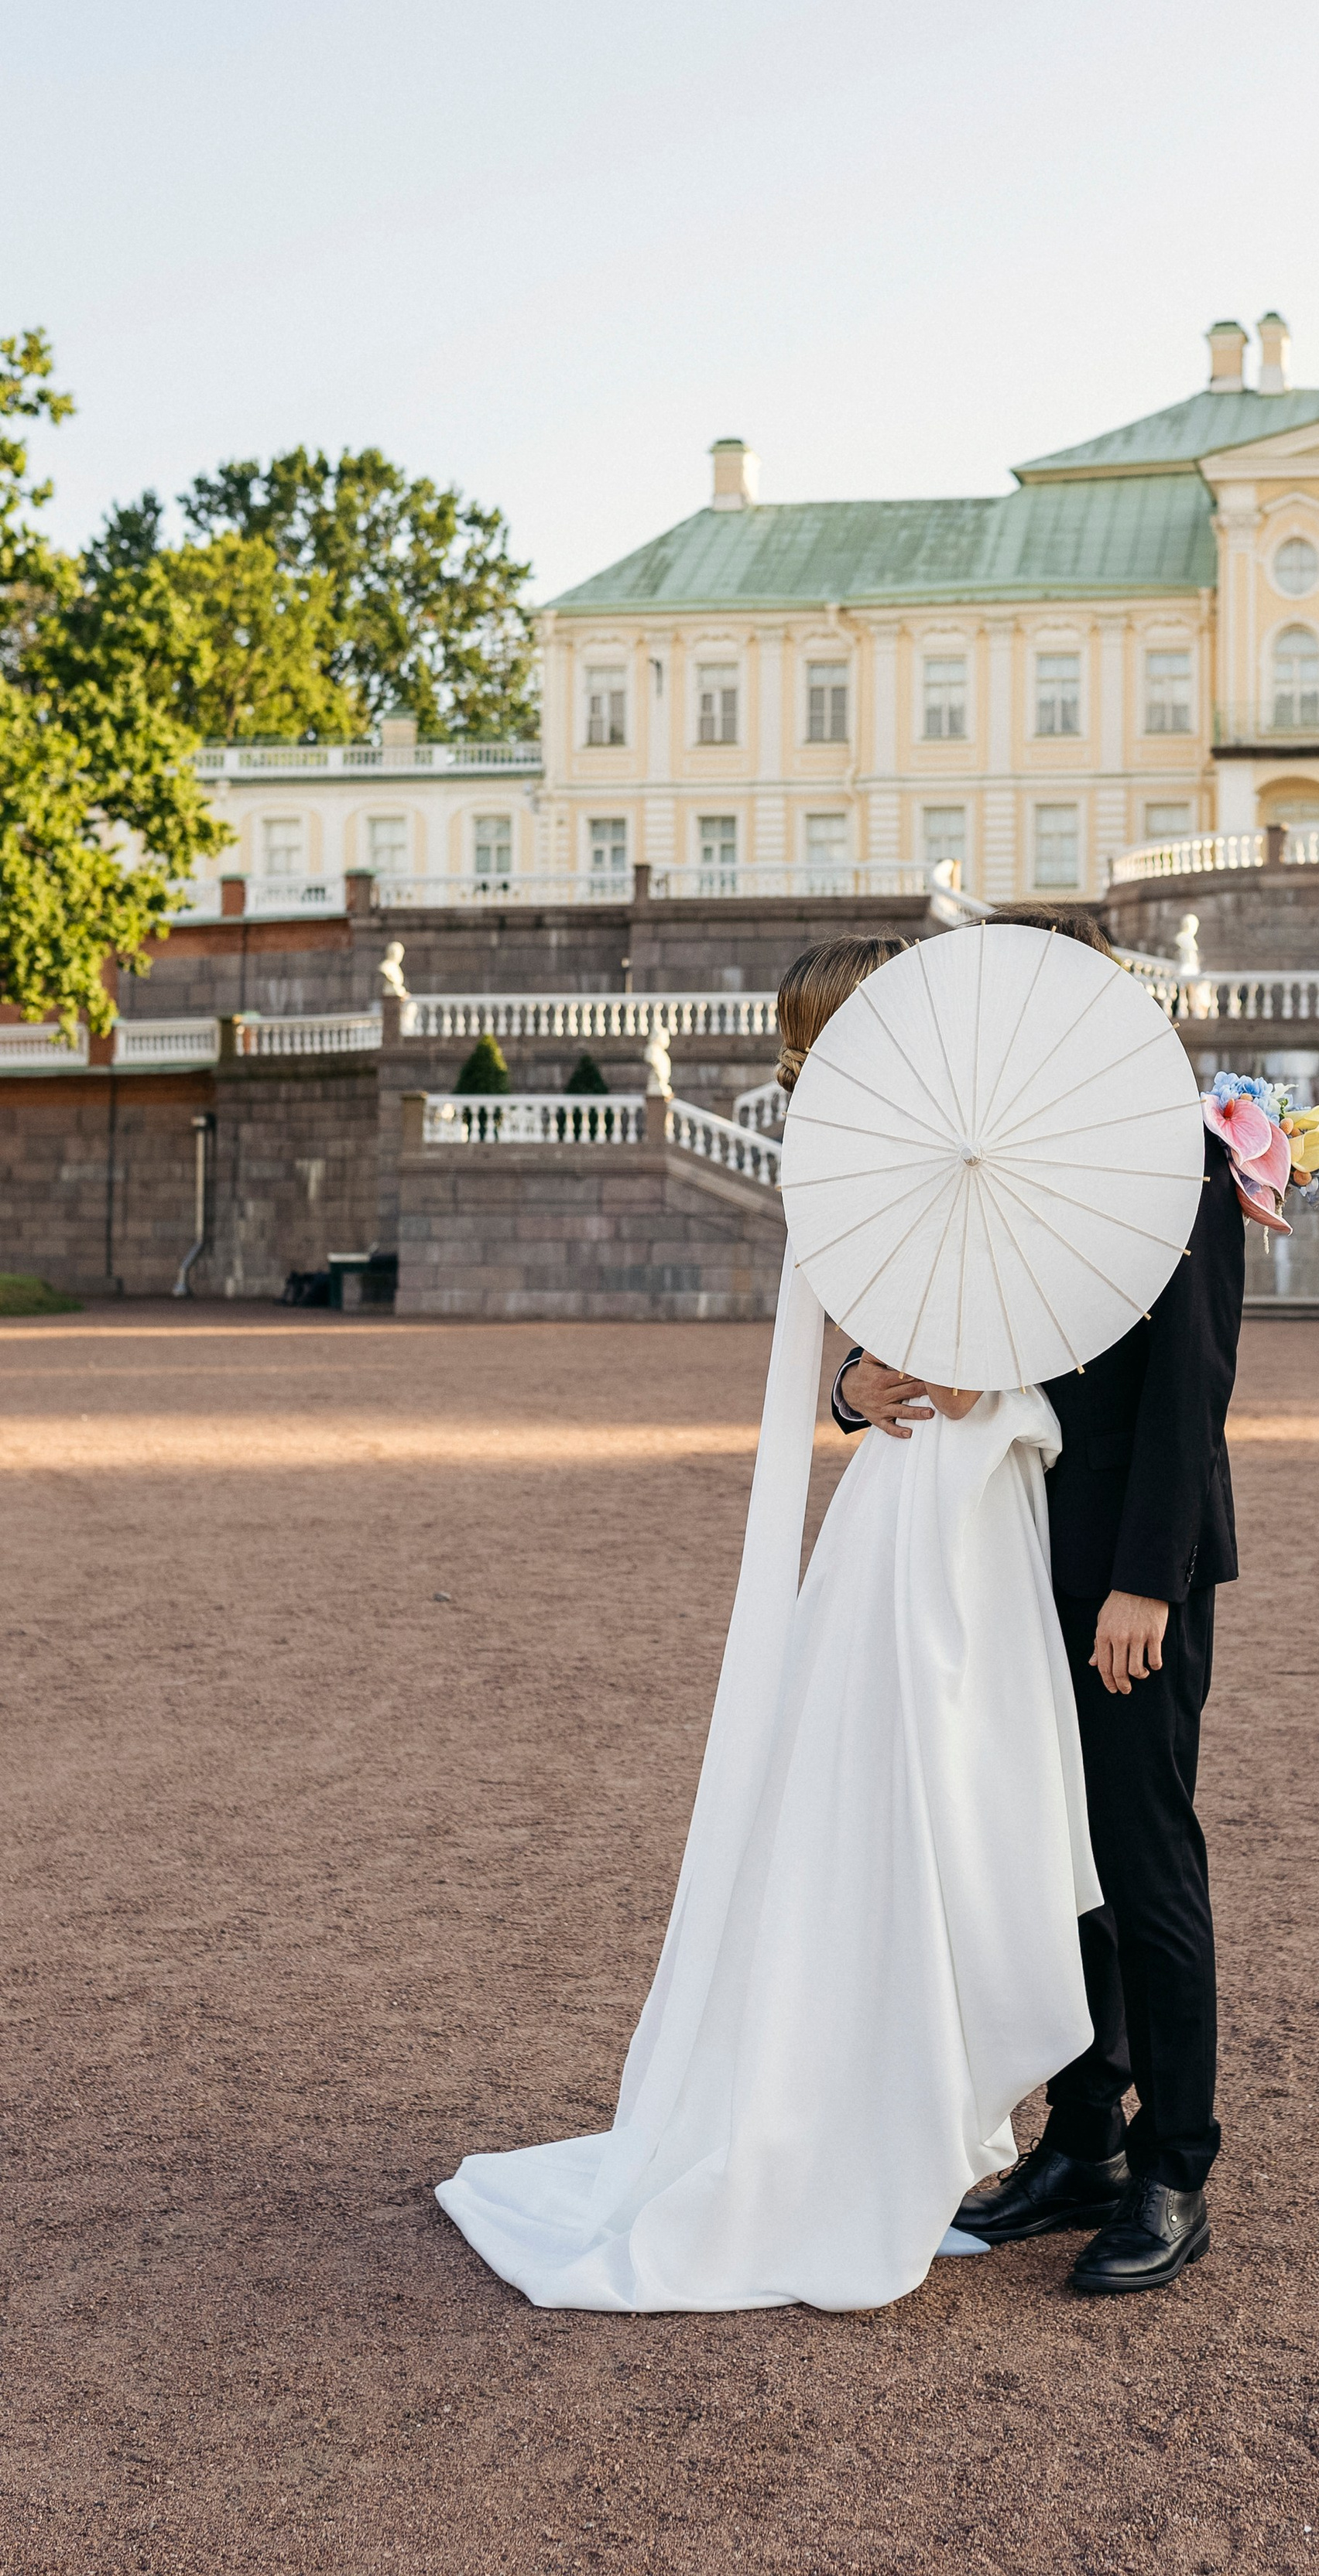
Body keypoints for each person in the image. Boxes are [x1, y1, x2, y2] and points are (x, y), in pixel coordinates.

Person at [435, 935, 1101, 2312]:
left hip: (968, 1513)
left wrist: (913, 1384)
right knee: (909, 1805)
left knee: (958, 1802)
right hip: (924, 1520)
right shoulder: (857, 1157)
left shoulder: (935, 1142)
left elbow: (941, 1350)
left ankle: (910, 2112)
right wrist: (882, 1382)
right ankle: (866, 2125)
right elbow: (848, 1363)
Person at [835, 905, 1245, 2295]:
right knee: (1044, 1865)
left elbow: (1192, 1392)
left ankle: (1175, 2162)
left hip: (1132, 1573)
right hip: (1005, 1554)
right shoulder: (1001, 1153)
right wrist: (858, 1384)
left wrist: (1146, 1580)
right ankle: (1083, 2140)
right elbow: (914, 1320)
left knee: (1140, 1860)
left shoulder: (1181, 1148)